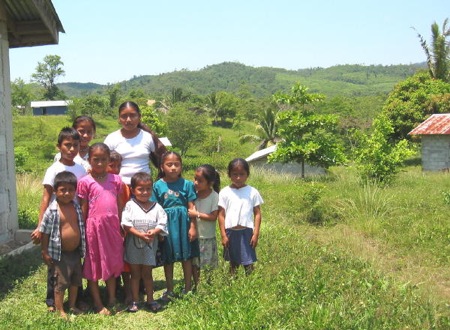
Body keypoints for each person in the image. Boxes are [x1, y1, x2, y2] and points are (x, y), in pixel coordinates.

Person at [31, 127, 87, 312]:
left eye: (75, 145)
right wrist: (40, 226)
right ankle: (52, 302)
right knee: (55, 267)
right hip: (56, 222)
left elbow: (83, 197)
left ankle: (75, 301)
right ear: (59, 146)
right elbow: (46, 198)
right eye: (67, 145)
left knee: (74, 265)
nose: (71, 149)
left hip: (74, 218)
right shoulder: (53, 169)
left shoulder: (81, 169)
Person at [77, 143, 124, 315]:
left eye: (103, 159)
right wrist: (82, 229)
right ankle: (98, 303)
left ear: (108, 160)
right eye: (95, 159)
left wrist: (121, 225)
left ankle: (112, 299)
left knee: (111, 261)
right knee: (93, 263)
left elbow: (119, 205)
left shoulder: (116, 180)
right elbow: (83, 208)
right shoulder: (85, 182)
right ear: (89, 160)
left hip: (112, 228)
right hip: (93, 229)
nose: (99, 163)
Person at [151, 151, 198, 300]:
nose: (173, 168)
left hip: (184, 224)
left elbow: (192, 208)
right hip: (166, 225)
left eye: (176, 164)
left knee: (187, 256)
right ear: (162, 167)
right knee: (168, 257)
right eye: (169, 164)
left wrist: (193, 227)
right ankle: (170, 289)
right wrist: (159, 231)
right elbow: (156, 209)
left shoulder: (187, 184)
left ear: (181, 166)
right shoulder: (157, 186)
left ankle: (188, 288)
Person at [39, 171, 86, 319]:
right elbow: (44, 232)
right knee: (60, 283)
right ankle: (60, 310)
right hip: (60, 254)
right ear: (55, 191)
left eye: (70, 190)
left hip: (76, 252)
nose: (67, 193)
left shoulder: (76, 207)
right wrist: (44, 251)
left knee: (75, 281)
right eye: (62, 190)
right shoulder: (52, 211)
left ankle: (72, 305)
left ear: (75, 191)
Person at [121, 172, 168, 313]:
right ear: (133, 190)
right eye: (141, 189)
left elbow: (162, 222)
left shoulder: (156, 206)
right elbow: (126, 224)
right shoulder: (130, 205)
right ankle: (135, 300)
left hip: (149, 246)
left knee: (147, 274)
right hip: (133, 244)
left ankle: (150, 300)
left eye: (148, 189)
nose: (145, 192)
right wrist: (139, 234)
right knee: (135, 274)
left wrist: (154, 232)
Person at [104, 101, 166, 186]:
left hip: (144, 189)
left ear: (139, 116)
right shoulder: (111, 138)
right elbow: (103, 164)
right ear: (119, 118)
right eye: (124, 116)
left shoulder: (147, 137)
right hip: (119, 188)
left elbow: (163, 157)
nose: (128, 120)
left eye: (133, 115)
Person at [218, 158, 263, 275]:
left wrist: (256, 234)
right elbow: (221, 215)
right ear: (229, 175)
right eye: (235, 174)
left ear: (247, 175)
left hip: (247, 232)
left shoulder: (252, 191)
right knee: (233, 263)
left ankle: (252, 286)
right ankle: (232, 286)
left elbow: (257, 213)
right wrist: (223, 234)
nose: (238, 178)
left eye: (242, 174)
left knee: (248, 262)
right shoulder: (225, 192)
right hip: (230, 232)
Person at [188, 164, 220, 287]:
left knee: (208, 265)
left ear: (210, 182)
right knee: (195, 263)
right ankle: (197, 285)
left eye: (200, 181)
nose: (196, 182)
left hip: (207, 237)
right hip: (195, 236)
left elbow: (213, 217)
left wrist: (197, 214)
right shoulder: (193, 195)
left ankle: (207, 285)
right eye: (195, 179)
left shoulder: (214, 196)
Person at [107, 151, 132, 304]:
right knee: (109, 260)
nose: (115, 169)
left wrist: (123, 224)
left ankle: (128, 292)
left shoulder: (122, 185)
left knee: (125, 261)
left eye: (118, 166)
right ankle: (112, 292)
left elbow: (126, 206)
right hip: (105, 228)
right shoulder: (98, 182)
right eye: (112, 165)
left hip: (120, 227)